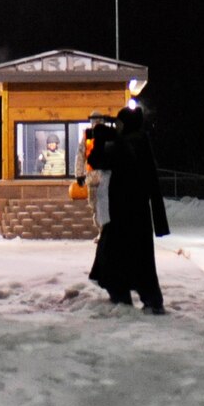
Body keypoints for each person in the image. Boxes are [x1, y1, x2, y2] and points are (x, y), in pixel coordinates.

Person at [87, 104, 169, 312]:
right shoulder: (139, 141)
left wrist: (100, 139)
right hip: (137, 214)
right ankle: (149, 301)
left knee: (113, 259)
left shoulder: (128, 144)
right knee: (140, 263)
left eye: (120, 123)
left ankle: (125, 298)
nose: (118, 127)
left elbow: (97, 160)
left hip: (123, 214)